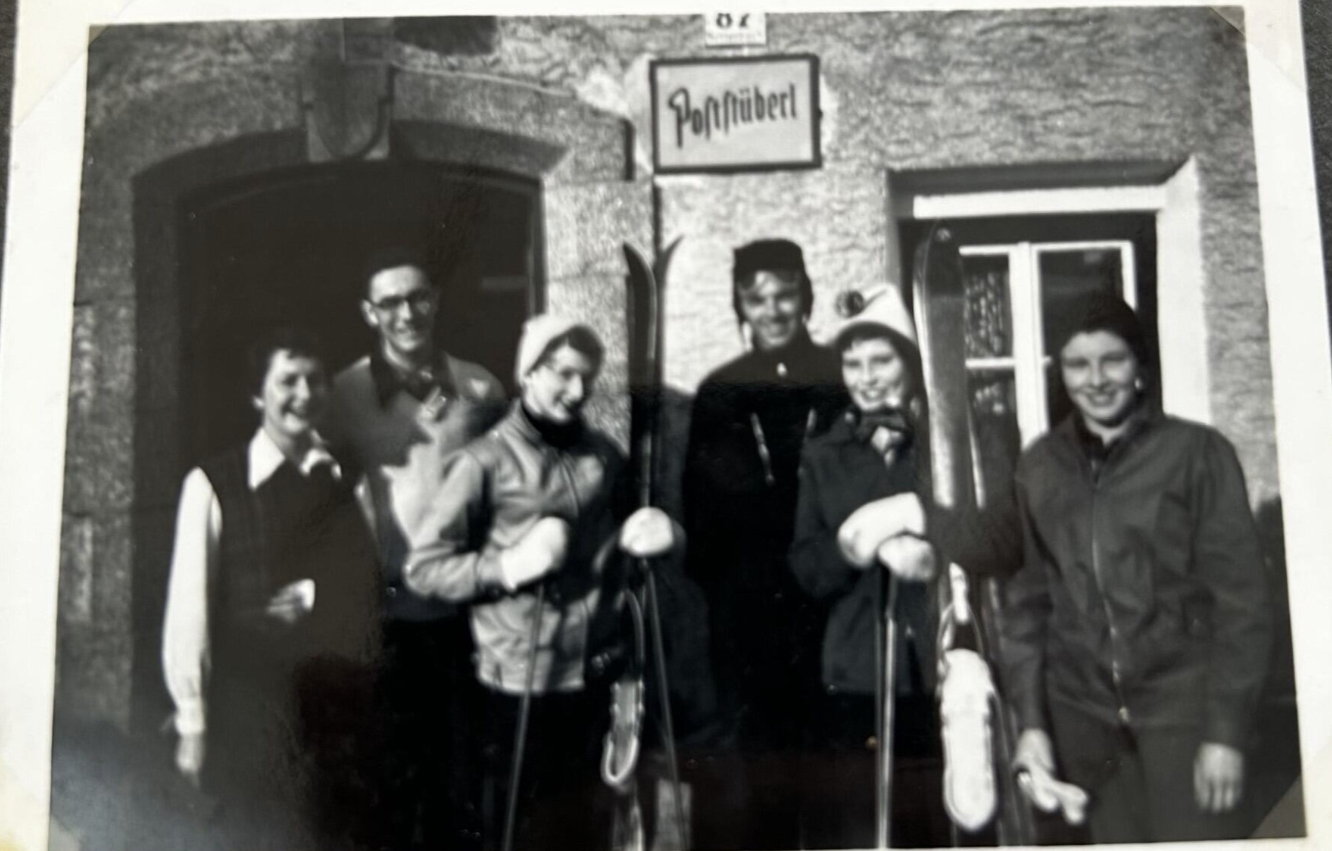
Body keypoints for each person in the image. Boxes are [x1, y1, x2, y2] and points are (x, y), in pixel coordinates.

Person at [403, 315, 682, 851]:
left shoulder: (603, 455)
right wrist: (508, 566)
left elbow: (630, 541)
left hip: (595, 677)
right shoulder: (483, 461)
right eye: (561, 374)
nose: (577, 392)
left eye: (587, 377)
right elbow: (425, 568)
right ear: (528, 373)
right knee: (528, 828)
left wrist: (666, 534)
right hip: (519, 684)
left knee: (591, 826)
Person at [1001, 293, 1273, 842]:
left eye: (1113, 360)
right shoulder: (1040, 466)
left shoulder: (1197, 453)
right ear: (1062, 373)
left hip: (1183, 715)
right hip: (1083, 722)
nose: (1096, 379)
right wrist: (1031, 724)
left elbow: (1243, 602)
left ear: (1141, 369)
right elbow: (1027, 606)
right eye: (1078, 364)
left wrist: (1226, 732)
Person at [162, 327, 381, 850]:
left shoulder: (346, 474)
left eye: (315, 380)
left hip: (334, 706)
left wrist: (315, 595)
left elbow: (370, 578)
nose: (304, 395)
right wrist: (192, 722)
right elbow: (188, 610)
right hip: (251, 706)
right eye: (288, 381)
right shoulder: (212, 483)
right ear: (258, 393)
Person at [323, 247, 506, 851]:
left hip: (463, 612)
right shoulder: (341, 394)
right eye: (391, 303)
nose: (407, 314)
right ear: (369, 312)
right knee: (394, 768)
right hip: (385, 608)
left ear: (437, 301)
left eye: (418, 297)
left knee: (464, 765)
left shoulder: (478, 384)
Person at [681, 238, 846, 848]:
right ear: (739, 307)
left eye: (785, 294)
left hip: (831, 602)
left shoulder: (840, 376)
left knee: (831, 770)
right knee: (761, 772)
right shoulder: (719, 392)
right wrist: (733, 598)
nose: (773, 310)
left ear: (806, 296)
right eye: (757, 299)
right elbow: (699, 516)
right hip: (750, 613)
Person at [788, 285, 956, 848]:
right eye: (853, 363)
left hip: (939, 667)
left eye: (881, 359)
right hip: (856, 672)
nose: (867, 376)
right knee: (866, 826)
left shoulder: (948, 445)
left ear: (909, 361)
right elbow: (807, 568)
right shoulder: (824, 454)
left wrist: (924, 520)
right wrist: (854, 545)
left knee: (938, 821)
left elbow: (993, 530)